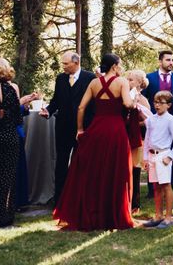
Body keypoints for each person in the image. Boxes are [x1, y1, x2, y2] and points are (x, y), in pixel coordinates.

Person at [53, 53, 135, 231]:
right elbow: (128, 104)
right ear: (114, 66)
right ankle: (113, 212)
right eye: (119, 64)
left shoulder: (94, 83)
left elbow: (81, 107)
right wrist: (135, 100)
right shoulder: (122, 82)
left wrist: (80, 129)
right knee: (115, 169)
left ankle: (94, 210)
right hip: (115, 130)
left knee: (96, 170)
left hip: (97, 129)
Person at [39, 52, 95, 204]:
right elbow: (56, 100)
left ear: (76, 63)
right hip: (63, 127)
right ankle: (59, 199)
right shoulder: (60, 78)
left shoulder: (90, 78)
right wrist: (48, 111)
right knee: (61, 161)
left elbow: (93, 104)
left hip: (83, 127)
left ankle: (80, 198)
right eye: (63, 63)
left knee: (82, 161)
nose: (63, 66)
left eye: (66, 64)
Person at [0, 57, 31, 226]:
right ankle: (3, 218)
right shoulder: (13, 88)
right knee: (6, 177)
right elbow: (18, 118)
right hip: (8, 136)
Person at [143, 51, 173, 195]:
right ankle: (152, 190)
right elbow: (143, 101)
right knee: (153, 154)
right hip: (154, 123)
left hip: (172, 121)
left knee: (170, 154)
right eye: (168, 60)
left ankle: (169, 186)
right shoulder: (149, 78)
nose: (171, 62)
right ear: (160, 61)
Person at [142, 91, 173, 229]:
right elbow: (147, 139)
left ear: (169, 105)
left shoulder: (171, 120)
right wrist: (146, 158)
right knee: (156, 187)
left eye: (161, 103)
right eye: (155, 102)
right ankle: (158, 215)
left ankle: (168, 217)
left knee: (166, 186)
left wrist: (170, 156)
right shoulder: (151, 119)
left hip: (163, 156)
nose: (157, 105)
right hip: (152, 156)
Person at [125, 69, 152, 213]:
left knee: (135, 169)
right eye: (127, 79)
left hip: (137, 138)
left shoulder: (142, 100)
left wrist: (133, 122)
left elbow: (148, 121)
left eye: (131, 80)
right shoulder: (125, 96)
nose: (127, 81)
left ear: (139, 83)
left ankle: (135, 202)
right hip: (124, 136)